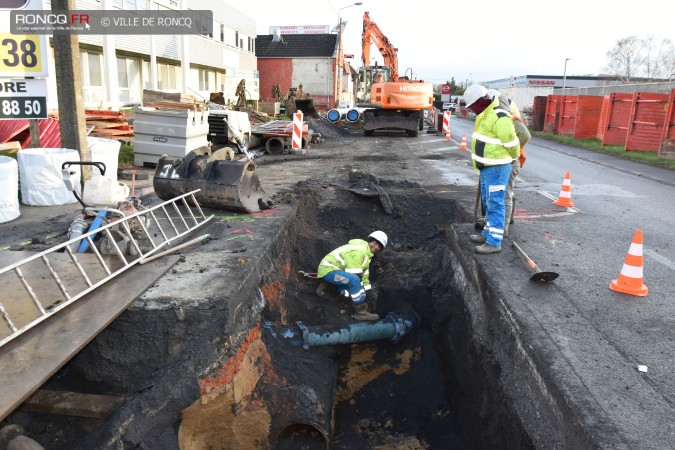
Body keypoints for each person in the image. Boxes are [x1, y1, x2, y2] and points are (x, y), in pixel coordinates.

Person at [464, 85, 520, 254]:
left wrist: (512, 158)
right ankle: (488, 233)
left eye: (472, 106)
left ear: (481, 101)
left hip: (497, 168)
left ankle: (494, 242)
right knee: (488, 203)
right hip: (488, 168)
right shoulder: (485, 115)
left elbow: (511, 142)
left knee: (495, 203)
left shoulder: (498, 115)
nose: (471, 110)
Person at [486, 89, 531, 237]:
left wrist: (513, 154)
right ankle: (492, 224)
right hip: (498, 161)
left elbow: (525, 135)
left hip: (511, 162)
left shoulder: (509, 117)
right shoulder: (495, 116)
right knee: (495, 195)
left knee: (505, 194)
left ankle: (502, 228)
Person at [315, 231, 387, 321]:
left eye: (379, 247)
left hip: (335, 272)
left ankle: (327, 286)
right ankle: (361, 313)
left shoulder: (367, 256)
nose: (376, 247)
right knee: (355, 281)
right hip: (328, 271)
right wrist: (363, 298)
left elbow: (365, 276)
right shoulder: (360, 251)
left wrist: (369, 292)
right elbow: (355, 276)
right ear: (370, 240)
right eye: (375, 243)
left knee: (352, 290)